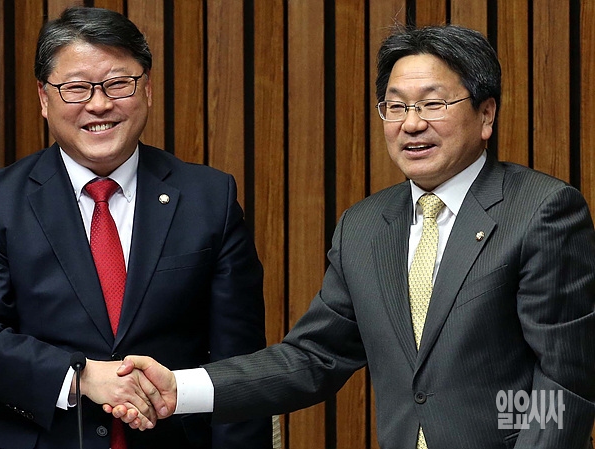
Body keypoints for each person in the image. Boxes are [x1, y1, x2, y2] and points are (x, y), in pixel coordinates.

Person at [111, 24, 595, 448]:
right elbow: (314, 357)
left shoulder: (541, 210)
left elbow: (563, 378)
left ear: (486, 114)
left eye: (433, 104)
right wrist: (181, 388)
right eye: (396, 106)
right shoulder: (364, 227)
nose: (412, 124)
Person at [0, 6, 272, 449]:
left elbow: (240, 365)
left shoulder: (209, 198)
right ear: (44, 98)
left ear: (147, 88)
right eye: (76, 88)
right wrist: (79, 377)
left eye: (118, 83)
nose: (99, 104)